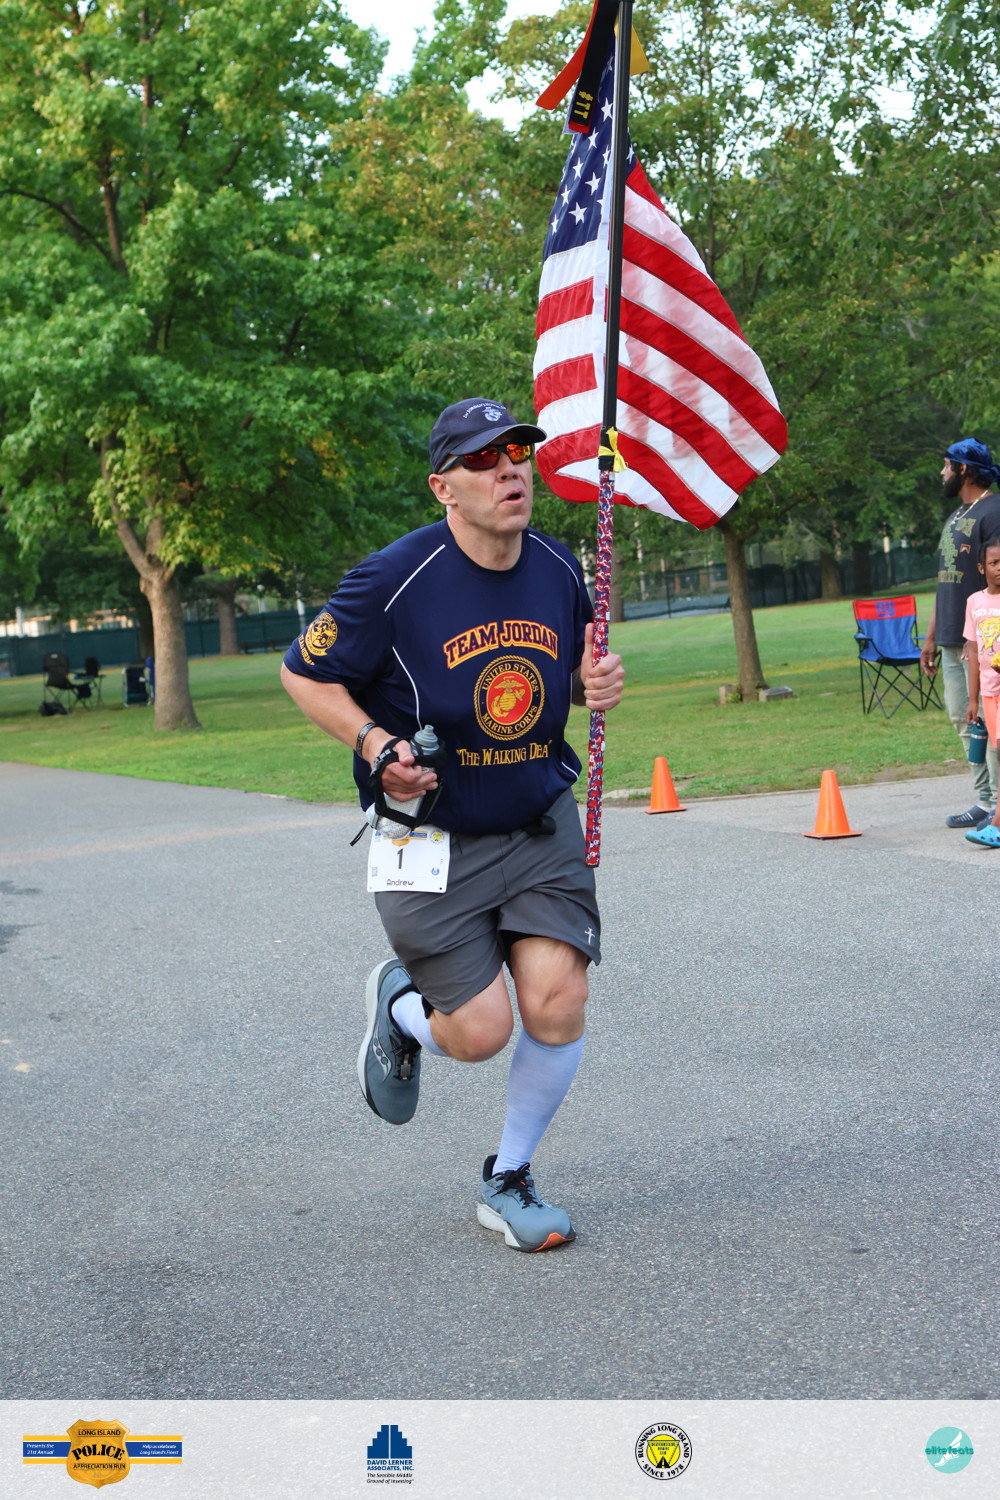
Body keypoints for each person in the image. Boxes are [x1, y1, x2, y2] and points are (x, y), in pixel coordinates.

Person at [280, 397, 625, 1251]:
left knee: (558, 1001)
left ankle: (508, 1176)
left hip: (537, 823)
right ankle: (401, 1008)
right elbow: (304, 674)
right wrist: (374, 744)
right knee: (478, 1035)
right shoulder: (392, 578)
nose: (510, 471)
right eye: (482, 460)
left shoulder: (558, 565)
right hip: (427, 837)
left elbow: (563, 677)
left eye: (518, 453)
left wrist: (591, 683)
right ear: (444, 487)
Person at [919, 438, 1000, 829]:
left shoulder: (993, 511)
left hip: (983, 638)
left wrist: (986, 639)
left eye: (947, 465)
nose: (942, 472)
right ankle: (985, 801)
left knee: (990, 720)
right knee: (964, 718)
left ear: (964, 469)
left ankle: (998, 804)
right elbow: (946, 580)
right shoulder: (956, 515)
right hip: (951, 636)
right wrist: (931, 637)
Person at [963, 539, 1000, 848]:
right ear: (981, 567)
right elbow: (974, 652)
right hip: (989, 693)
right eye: (994, 563)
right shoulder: (975, 602)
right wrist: (972, 698)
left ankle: (996, 825)